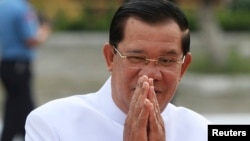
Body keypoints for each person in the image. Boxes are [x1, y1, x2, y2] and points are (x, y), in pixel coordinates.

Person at [25, 0, 211, 141]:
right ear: (110, 58)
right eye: (137, 58)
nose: (150, 74)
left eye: (166, 60)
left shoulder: (199, 131)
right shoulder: (52, 124)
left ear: (183, 67)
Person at [0, 0, 51, 140]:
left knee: (14, 103)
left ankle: (17, 135)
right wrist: (45, 31)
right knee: (24, 103)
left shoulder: (2, 5)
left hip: (6, 62)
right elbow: (30, 40)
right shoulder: (22, 9)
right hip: (19, 65)